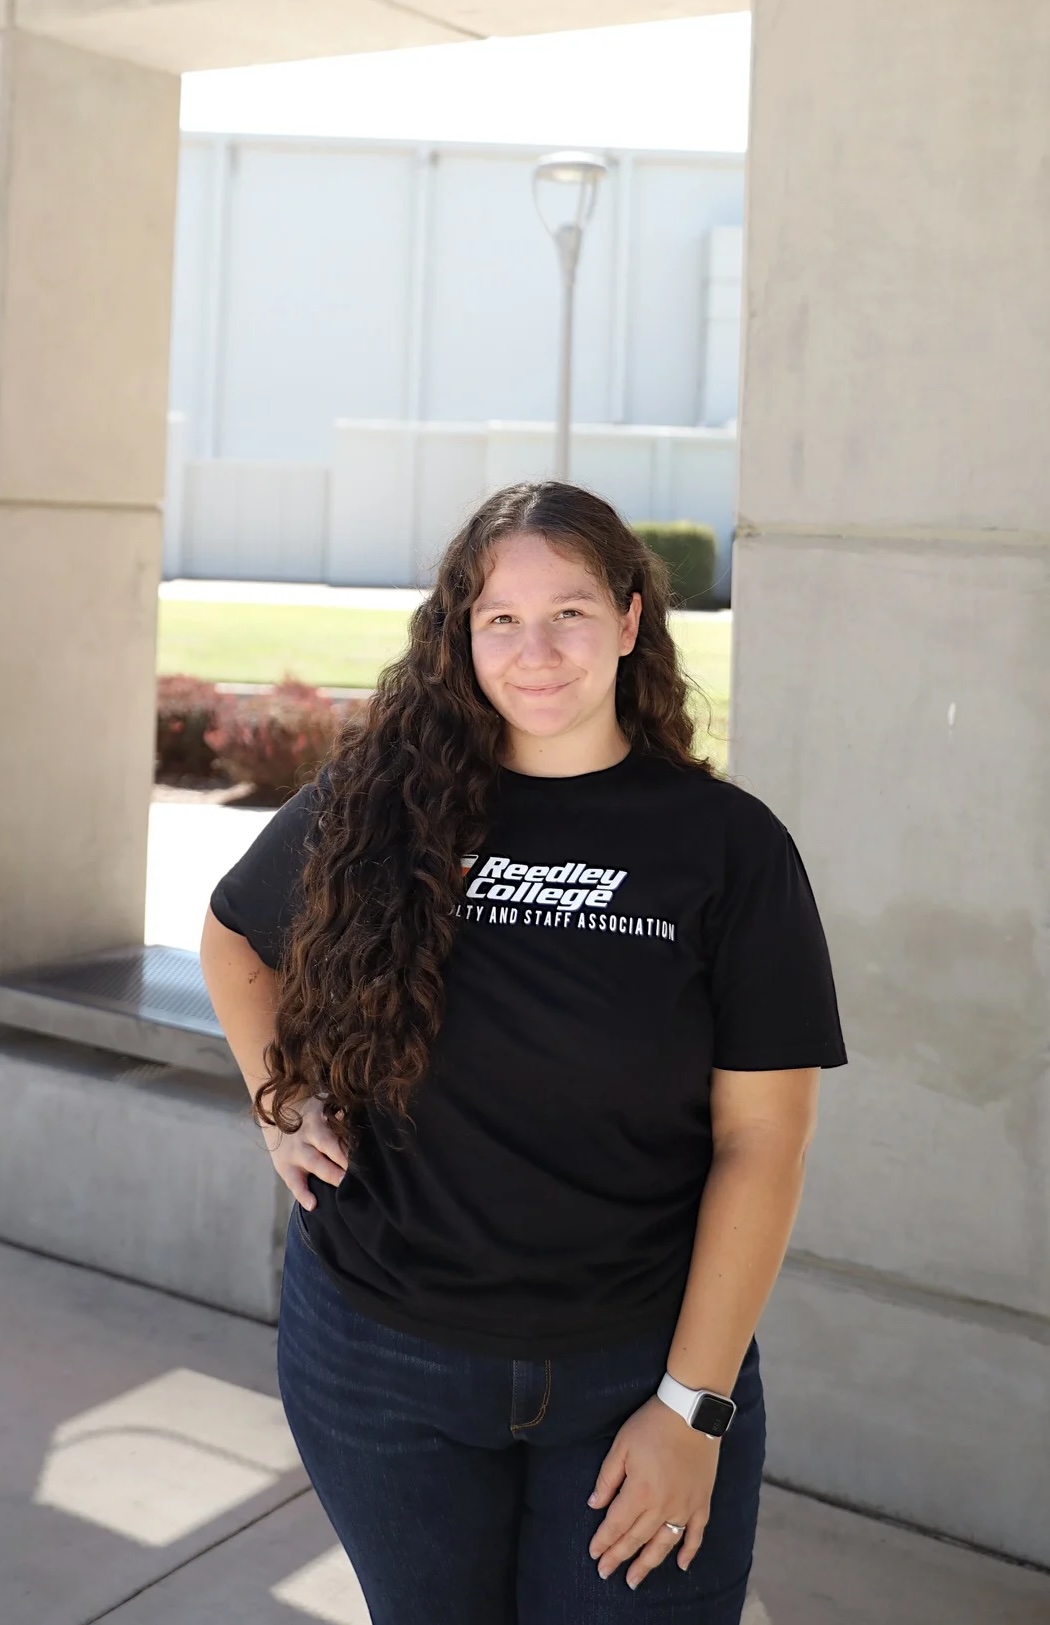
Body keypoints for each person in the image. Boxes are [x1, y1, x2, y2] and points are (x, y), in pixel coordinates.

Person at [199, 480, 847, 1625]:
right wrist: (277, 1098)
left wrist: (691, 1405)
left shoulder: (728, 848)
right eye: (499, 616)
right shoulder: (379, 805)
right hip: (376, 1358)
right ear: (460, 630)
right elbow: (235, 935)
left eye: (572, 612)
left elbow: (764, 1143)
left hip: (633, 1361)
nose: (534, 648)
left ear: (633, 620)